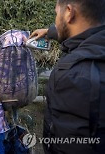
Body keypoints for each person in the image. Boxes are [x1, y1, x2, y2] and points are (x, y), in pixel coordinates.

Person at [29, 0, 105, 154]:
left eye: (57, 13)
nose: (56, 20)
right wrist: (50, 32)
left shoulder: (73, 75)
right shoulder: (98, 43)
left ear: (69, 13)